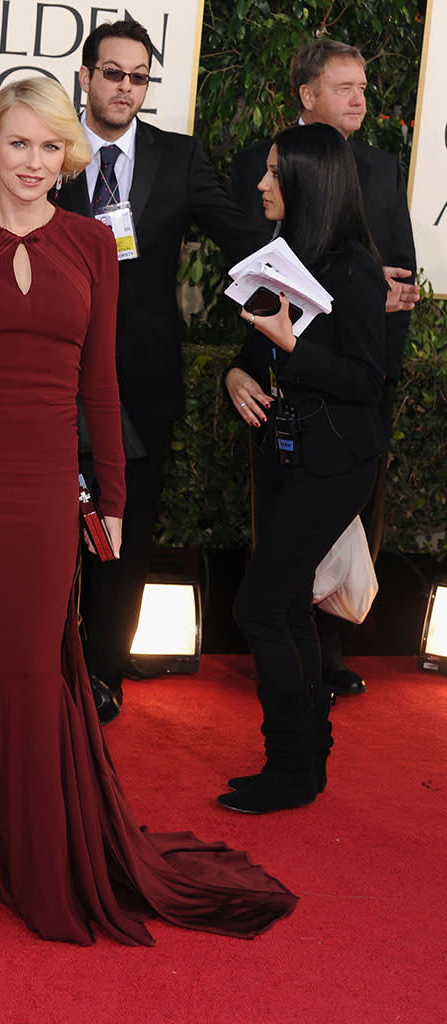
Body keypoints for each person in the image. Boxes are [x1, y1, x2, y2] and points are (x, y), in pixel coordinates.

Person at [0, 76, 295, 944]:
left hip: (47, 485)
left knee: (37, 669)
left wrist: (111, 498)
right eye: (18, 145)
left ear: (65, 156)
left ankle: (38, 853)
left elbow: (101, 381)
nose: (34, 162)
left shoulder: (89, 243)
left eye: (51, 148)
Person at [56, 20, 260, 722]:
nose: (125, 88)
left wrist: (334, 272)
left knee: (125, 533)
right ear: (85, 76)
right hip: (47, 375)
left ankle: (102, 676)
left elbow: (244, 242)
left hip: (142, 381)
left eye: (138, 76)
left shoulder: (179, 158)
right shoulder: (45, 150)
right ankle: (41, 672)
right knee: (45, 531)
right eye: (112, 73)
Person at [230, 38, 418, 696]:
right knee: (278, 588)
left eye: (363, 86)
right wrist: (241, 367)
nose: (361, 98)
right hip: (286, 416)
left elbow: (385, 293)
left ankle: (301, 732)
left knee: (284, 588)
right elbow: (253, 299)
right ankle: (298, 740)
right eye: (345, 87)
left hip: (342, 424)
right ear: (307, 96)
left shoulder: (377, 184)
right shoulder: (265, 186)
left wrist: (378, 319)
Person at [218, 123, 387, 814]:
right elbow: (255, 349)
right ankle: (304, 760)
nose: (261, 184)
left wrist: (293, 346)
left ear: (310, 182)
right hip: (292, 452)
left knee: (258, 606)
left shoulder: (352, 268)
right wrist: (235, 373)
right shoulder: (286, 257)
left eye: (275, 172)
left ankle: (292, 762)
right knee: (283, 602)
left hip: (337, 461)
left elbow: (367, 377)